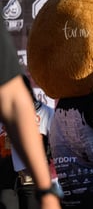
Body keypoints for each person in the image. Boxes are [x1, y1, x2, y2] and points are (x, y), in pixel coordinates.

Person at [0, 23, 61, 209]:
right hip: (6, 179)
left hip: (31, 180)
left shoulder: (46, 112)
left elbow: (12, 98)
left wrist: (47, 188)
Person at [11, 75, 61, 209]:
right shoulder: (8, 115)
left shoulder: (46, 112)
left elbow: (57, 147)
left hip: (37, 182)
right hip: (12, 183)